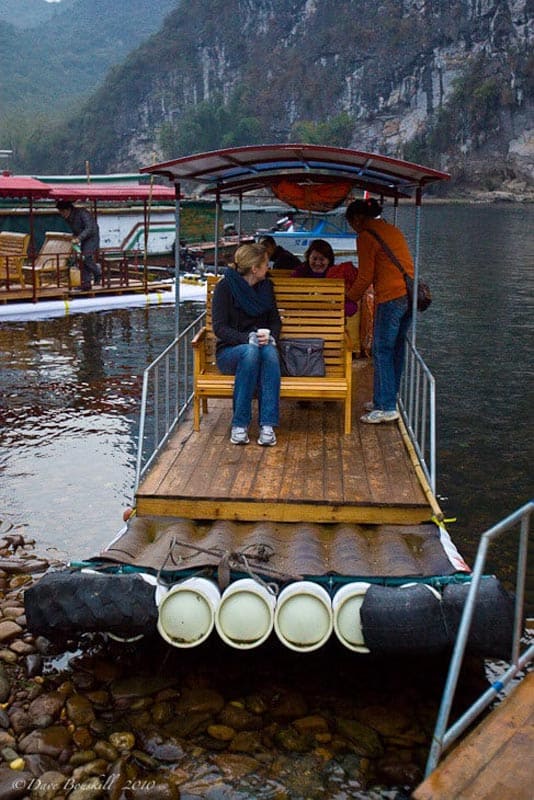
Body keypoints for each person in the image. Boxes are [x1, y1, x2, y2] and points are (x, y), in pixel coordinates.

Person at [345, 197, 413, 424]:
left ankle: (386, 407)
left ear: (357, 219)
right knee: (396, 349)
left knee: (381, 350)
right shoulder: (391, 229)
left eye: (350, 224)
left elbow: (365, 275)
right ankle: (384, 398)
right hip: (409, 296)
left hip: (391, 298)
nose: (352, 228)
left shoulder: (366, 236)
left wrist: (349, 299)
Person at [212, 243, 282, 446]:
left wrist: (271, 336)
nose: (268, 268)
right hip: (230, 351)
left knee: (269, 353)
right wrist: (247, 338)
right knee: (250, 353)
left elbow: (275, 321)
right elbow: (220, 328)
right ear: (255, 268)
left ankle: (267, 425)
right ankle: (240, 424)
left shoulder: (266, 287)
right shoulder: (225, 287)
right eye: (266, 264)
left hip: (261, 346)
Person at [56, 200, 101, 290]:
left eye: (62, 211)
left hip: (92, 237)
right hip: (82, 237)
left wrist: (78, 238)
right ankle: (86, 283)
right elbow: (75, 229)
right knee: (82, 259)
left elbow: (90, 228)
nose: (62, 214)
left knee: (86, 257)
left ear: (68, 210)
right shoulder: (68, 217)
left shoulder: (82, 213)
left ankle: (97, 272)